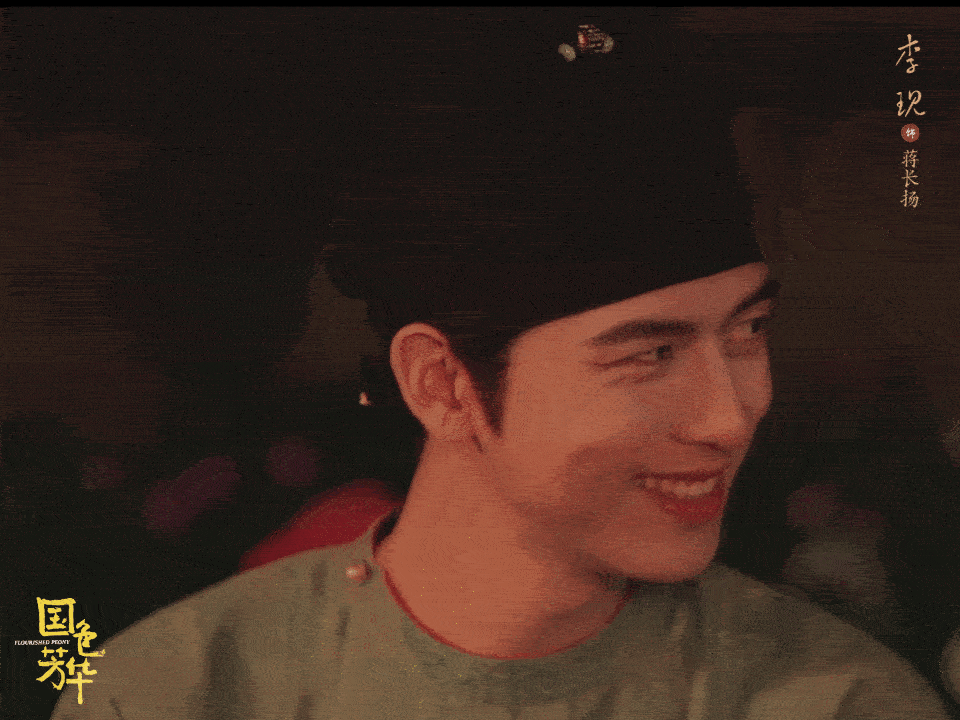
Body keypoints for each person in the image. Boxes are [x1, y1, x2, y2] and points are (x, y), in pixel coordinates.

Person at [50, 9, 951, 718]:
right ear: (441, 383)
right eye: (651, 354)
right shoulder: (175, 692)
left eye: (747, 332)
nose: (730, 414)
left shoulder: (838, 700)